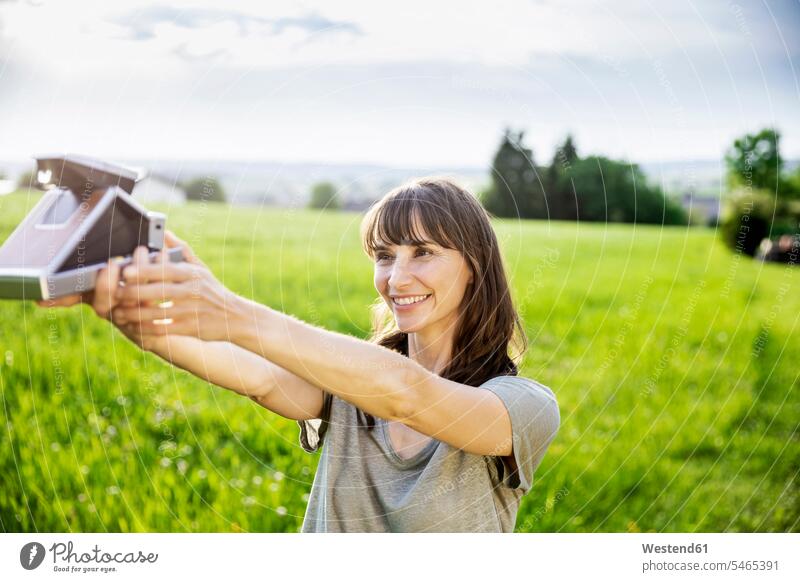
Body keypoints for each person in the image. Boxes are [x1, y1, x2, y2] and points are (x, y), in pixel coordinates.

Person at [41, 177, 560, 532]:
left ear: (475, 266)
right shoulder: (351, 387)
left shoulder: (523, 408)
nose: (397, 278)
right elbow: (258, 377)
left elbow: (408, 395)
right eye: (384, 256)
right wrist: (129, 309)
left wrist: (230, 308)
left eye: (423, 252)